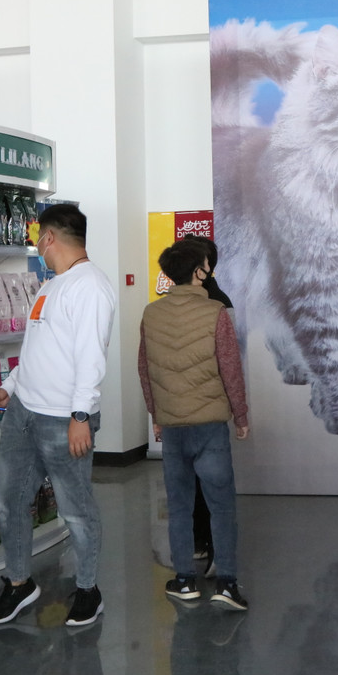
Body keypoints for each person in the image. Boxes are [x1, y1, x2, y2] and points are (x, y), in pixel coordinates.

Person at [0, 203, 116, 627]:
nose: (36, 244)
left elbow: (90, 357)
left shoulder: (90, 286)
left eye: (37, 237)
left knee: (75, 509)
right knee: (9, 500)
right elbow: (38, 348)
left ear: (50, 237)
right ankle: (19, 582)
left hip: (63, 419)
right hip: (24, 412)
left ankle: (88, 590)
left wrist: (80, 414)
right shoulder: (51, 285)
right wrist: (10, 386)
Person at [138, 237, 251, 611]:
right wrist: (241, 415)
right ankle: (227, 584)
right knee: (221, 507)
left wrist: (156, 415)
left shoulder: (151, 314)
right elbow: (230, 369)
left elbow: (145, 370)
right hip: (209, 426)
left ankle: (185, 579)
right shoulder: (216, 312)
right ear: (199, 272)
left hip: (173, 427)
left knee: (179, 506)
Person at [180, 234, 229, 568]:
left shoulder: (216, 304)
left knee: (202, 482)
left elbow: (228, 363)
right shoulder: (213, 301)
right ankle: (203, 543)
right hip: (197, 406)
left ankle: (211, 548)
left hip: (198, 406)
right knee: (200, 481)